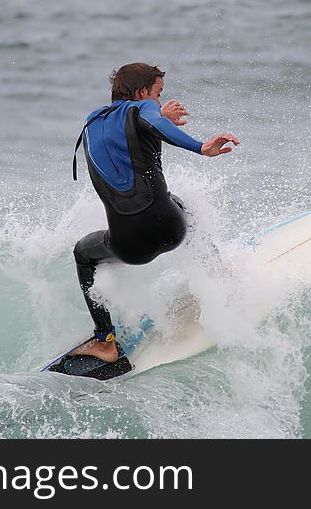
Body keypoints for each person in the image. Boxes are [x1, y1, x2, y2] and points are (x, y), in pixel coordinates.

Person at [69, 63, 239, 363]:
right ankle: (219, 273)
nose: (158, 101)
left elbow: (132, 134)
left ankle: (105, 340)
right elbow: (150, 120)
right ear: (142, 92)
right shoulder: (145, 109)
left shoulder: (91, 123)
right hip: (173, 228)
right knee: (181, 205)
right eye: (158, 94)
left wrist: (158, 118)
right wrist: (201, 147)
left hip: (130, 247)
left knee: (84, 253)